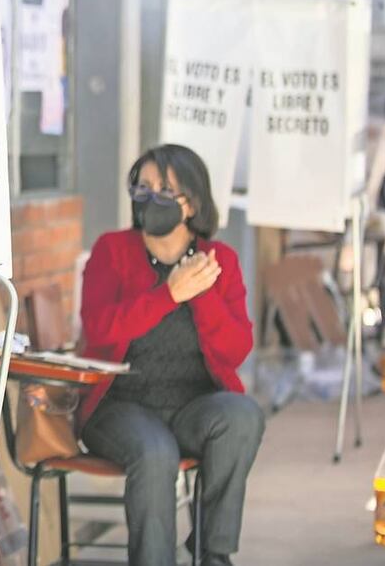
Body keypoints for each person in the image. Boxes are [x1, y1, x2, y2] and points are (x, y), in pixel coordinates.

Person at [79, 145, 264, 566]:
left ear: (192, 203)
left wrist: (199, 293)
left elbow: (236, 350)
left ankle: (212, 554)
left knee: (242, 416)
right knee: (155, 451)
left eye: (165, 189)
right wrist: (168, 295)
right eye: (143, 187)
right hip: (118, 406)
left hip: (191, 407)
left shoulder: (221, 262)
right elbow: (98, 328)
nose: (151, 198)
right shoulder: (111, 251)